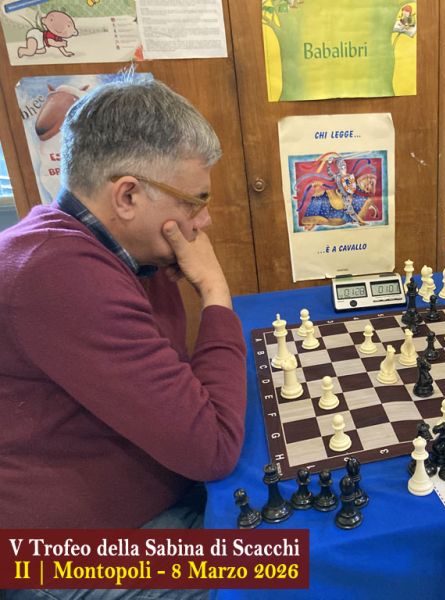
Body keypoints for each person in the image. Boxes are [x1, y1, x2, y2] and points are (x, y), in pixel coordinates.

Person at [0, 78, 247, 532]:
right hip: (77, 544)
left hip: (150, 491)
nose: (204, 220)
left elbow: (180, 387)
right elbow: (212, 447)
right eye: (194, 202)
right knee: (289, 560)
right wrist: (214, 291)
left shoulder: (106, 248)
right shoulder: (60, 276)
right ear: (128, 196)